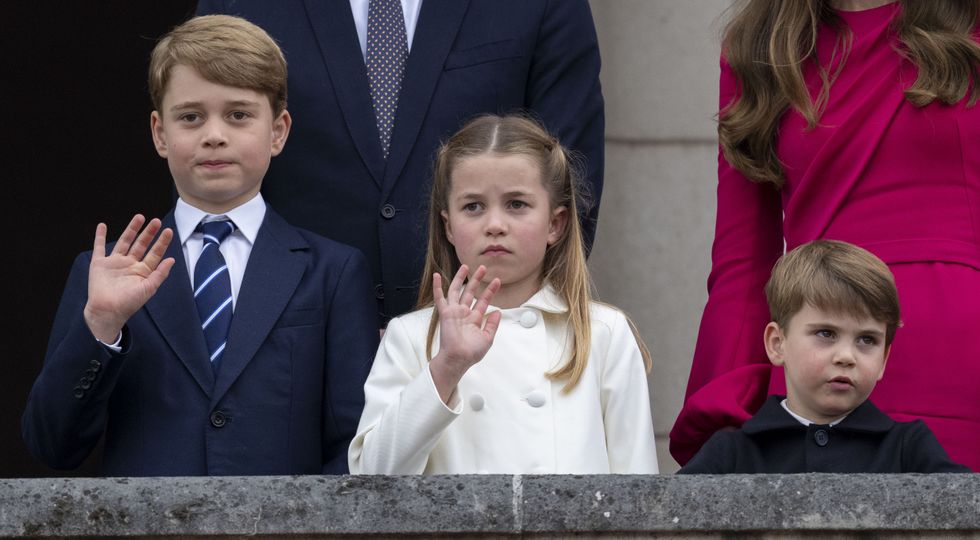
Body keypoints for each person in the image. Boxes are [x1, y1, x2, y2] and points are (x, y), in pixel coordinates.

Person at [21, 15, 378, 476]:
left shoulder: (334, 271)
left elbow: (354, 445)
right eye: (190, 116)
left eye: (239, 114)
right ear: (159, 133)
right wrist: (102, 326)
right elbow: (52, 445)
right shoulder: (104, 271)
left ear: (278, 131)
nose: (214, 134)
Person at [671, 0, 980, 471]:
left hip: (965, 361)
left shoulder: (971, 24)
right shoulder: (761, 46)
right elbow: (743, 259)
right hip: (817, 364)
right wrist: (725, 409)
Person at [193, 0, 605, 325]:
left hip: (488, 341)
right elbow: (210, 162)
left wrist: (510, 324)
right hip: (293, 345)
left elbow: (566, 175)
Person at [347, 115, 658, 474]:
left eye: (516, 204)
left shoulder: (604, 333)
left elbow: (639, 489)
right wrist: (447, 367)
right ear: (448, 226)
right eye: (473, 206)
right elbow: (372, 479)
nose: (495, 225)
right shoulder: (412, 336)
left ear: (555, 224)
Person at [678, 240, 969, 473]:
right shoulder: (733, 451)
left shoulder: (908, 447)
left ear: (884, 359)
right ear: (777, 343)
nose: (846, 356)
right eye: (826, 334)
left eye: (867, 339)